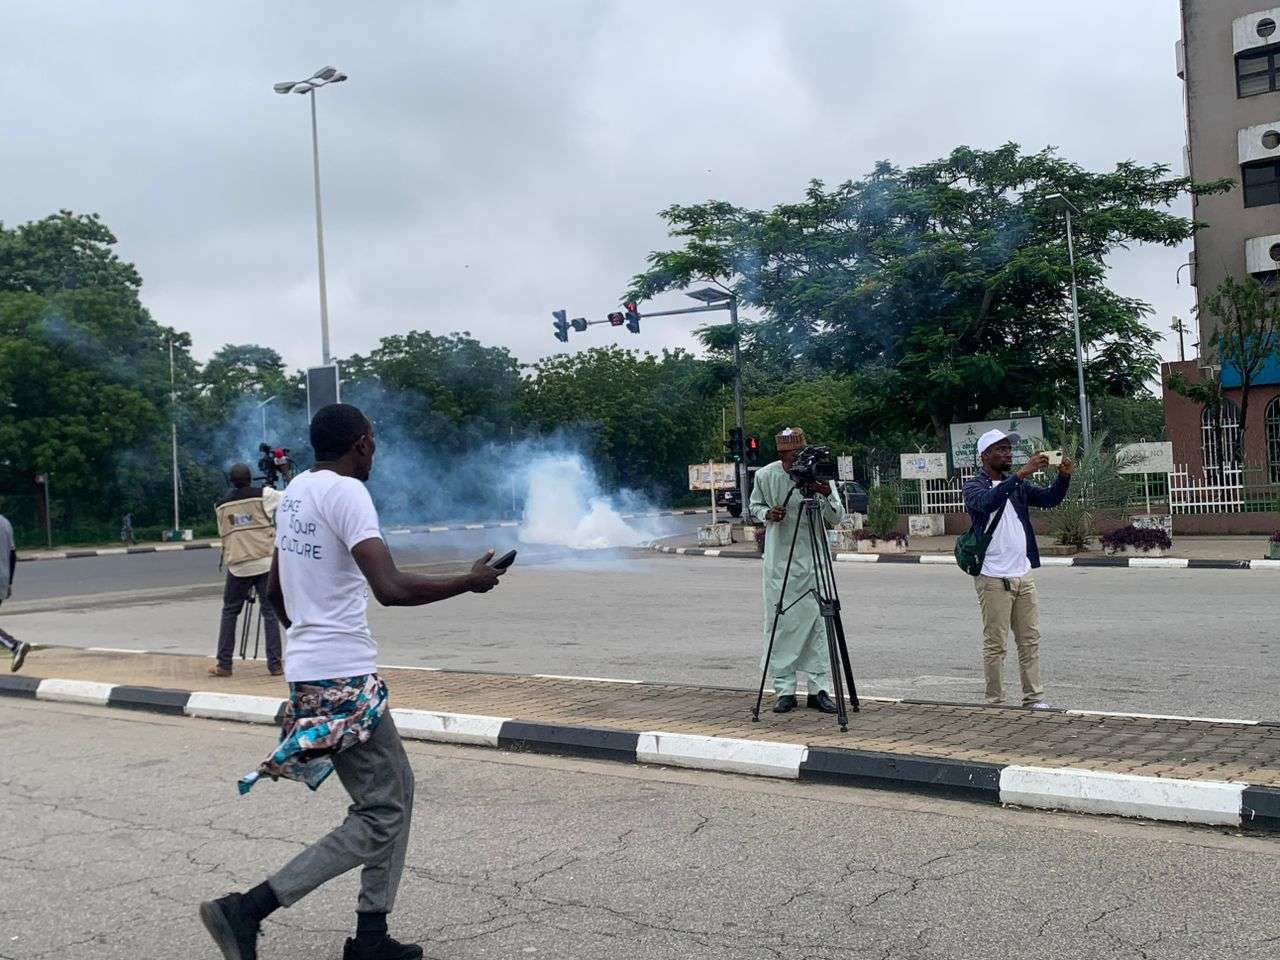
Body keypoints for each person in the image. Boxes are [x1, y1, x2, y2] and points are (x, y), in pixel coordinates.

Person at [200, 403, 506, 960]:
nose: (375, 455)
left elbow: (275, 592)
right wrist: (469, 580)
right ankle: (247, 909)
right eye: (374, 445)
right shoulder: (348, 494)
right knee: (382, 808)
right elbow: (389, 587)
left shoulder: (294, 494)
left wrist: (310, 644)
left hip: (315, 672)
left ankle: (371, 937)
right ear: (362, 444)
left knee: (394, 793)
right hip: (342, 676)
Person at [962, 429, 1074, 709]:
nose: (1007, 454)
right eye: (1000, 449)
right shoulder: (974, 486)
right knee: (996, 644)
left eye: (1009, 449)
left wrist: (1063, 477)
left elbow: (1050, 499)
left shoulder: (1018, 487)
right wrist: (1020, 475)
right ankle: (995, 700)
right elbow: (987, 503)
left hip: (1023, 574)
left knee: (1030, 640)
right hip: (992, 576)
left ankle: (1034, 698)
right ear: (985, 455)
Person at [748, 427, 846, 714]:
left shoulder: (819, 472)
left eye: (793, 455)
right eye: (783, 456)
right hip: (780, 563)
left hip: (814, 563)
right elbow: (754, 506)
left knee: (817, 625)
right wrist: (768, 514)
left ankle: (819, 689)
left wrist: (826, 492)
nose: (790, 462)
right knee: (781, 623)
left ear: (802, 452)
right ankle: (784, 690)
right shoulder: (765, 476)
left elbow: (836, 516)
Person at [210, 463, 285, 677]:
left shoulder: (221, 505)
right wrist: (284, 470)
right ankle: (275, 665)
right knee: (270, 612)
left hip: (238, 565)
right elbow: (289, 497)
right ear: (251, 478)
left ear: (231, 482)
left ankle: (224, 664)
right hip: (264, 561)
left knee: (229, 612)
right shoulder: (265, 495)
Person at [0, 511, 31, 672]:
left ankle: (14, 645)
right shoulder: (5, 522)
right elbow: (13, 554)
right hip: (3, 578)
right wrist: (9, 582)